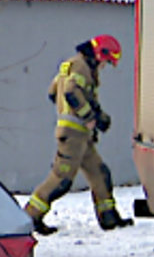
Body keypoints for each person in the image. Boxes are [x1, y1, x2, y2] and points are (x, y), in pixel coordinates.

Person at [24, 35, 132, 235]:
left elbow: (52, 92)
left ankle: (108, 216)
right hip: (73, 136)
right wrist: (89, 116)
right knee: (61, 179)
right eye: (106, 62)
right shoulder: (81, 67)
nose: (105, 66)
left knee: (99, 173)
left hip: (81, 136)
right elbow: (71, 93)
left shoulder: (72, 65)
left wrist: (99, 116)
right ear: (100, 53)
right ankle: (30, 217)